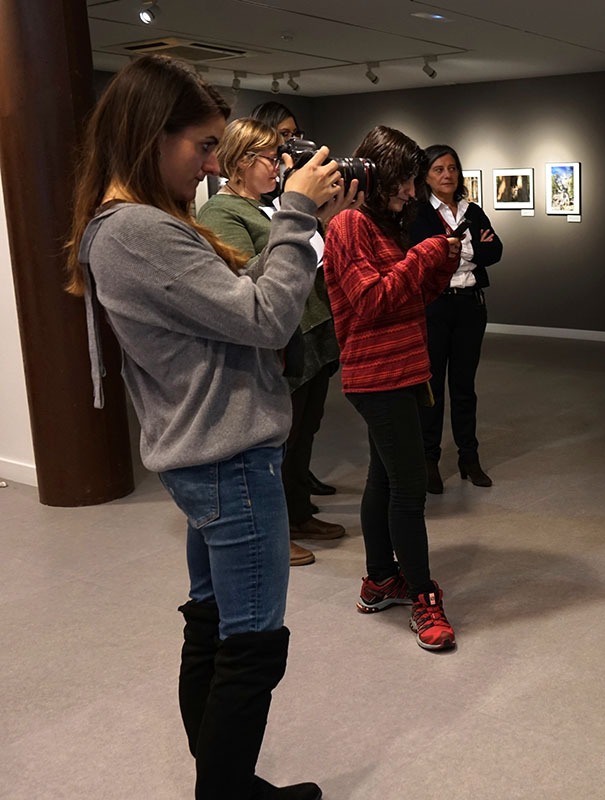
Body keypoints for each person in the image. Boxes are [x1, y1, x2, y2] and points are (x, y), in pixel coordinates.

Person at [66, 55, 348, 798]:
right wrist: (294, 213)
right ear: (148, 137)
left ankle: (229, 784)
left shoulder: (139, 225)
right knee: (251, 646)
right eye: (202, 145)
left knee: (217, 624)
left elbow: (233, 306)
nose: (212, 163)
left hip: (210, 453)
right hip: (229, 455)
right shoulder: (137, 232)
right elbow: (265, 317)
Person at [322, 126, 462, 651]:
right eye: (405, 182)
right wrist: (425, 256)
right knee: (408, 486)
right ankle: (423, 595)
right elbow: (372, 301)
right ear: (379, 175)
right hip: (377, 375)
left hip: (400, 369)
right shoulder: (350, 225)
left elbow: (407, 298)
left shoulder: (380, 224)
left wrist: (439, 267)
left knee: (384, 480)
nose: (411, 193)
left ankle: (380, 580)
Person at [197, 118, 354, 568]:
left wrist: (314, 220)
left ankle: (299, 513)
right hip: (279, 341)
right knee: (279, 441)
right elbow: (245, 279)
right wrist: (296, 223)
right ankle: (275, 530)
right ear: (242, 162)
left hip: (310, 331)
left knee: (305, 431)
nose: (281, 167)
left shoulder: (269, 206)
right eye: (273, 158)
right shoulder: (221, 213)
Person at [250, 100, 342, 504]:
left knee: (310, 420)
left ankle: (300, 486)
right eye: (283, 138)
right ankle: (289, 505)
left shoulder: (287, 200)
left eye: (294, 133)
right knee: (288, 424)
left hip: (314, 320)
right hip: (285, 329)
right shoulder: (240, 209)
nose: (291, 145)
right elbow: (250, 274)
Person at [408, 144, 503, 493]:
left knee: (464, 387)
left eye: (452, 168)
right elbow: (423, 254)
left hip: (470, 307)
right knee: (431, 387)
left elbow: (495, 250)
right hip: (434, 307)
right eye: (438, 169)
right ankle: (429, 459)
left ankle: (469, 457)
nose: (447, 175)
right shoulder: (418, 213)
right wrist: (466, 250)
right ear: (426, 176)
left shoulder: (472, 210)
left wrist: (456, 248)